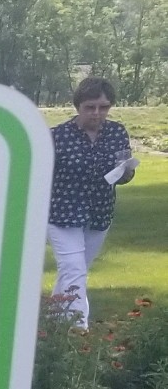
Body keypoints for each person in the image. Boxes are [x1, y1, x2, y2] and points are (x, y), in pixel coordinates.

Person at [47, 77, 138, 327]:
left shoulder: (117, 133)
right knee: (74, 270)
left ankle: (53, 326)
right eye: (90, 107)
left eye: (103, 107)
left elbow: (120, 173)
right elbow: (39, 176)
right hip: (62, 214)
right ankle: (79, 331)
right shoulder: (57, 136)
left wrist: (127, 173)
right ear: (78, 106)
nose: (97, 113)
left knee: (73, 272)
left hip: (99, 214)